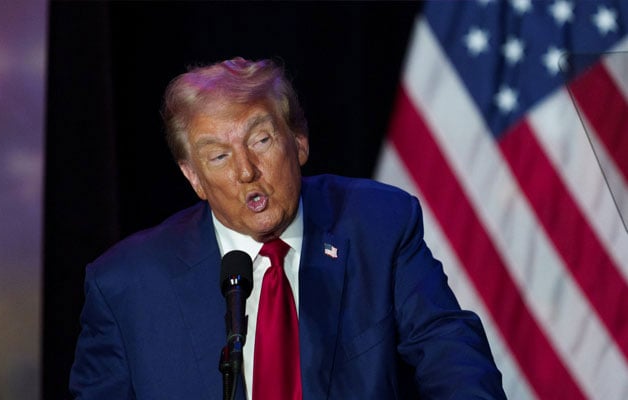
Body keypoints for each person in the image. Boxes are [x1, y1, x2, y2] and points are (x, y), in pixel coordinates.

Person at [69, 57, 506, 399]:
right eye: (218, 156)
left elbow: (450, 355)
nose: (246, 171)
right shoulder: (126, 286)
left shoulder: (378, 226)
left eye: (260, 140)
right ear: (193, 178)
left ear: (298, 142)